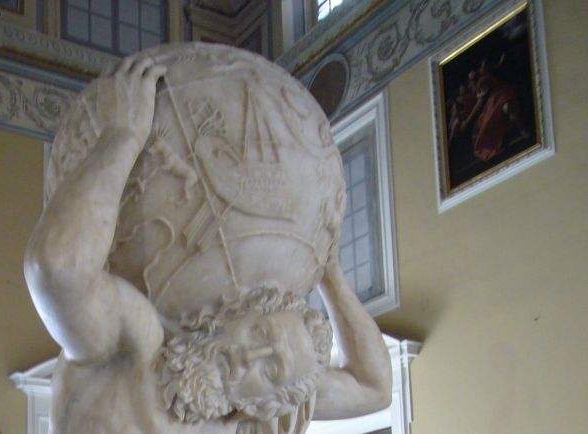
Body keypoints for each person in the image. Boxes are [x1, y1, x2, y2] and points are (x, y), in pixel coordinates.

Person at [24, 53, 391, 434]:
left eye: (271, 369)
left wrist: (330, 271)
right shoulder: (133, 349)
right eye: (259, 332)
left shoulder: (254, 415)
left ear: (263, 400)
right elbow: (57, 268)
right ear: (230, 317)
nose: (251, 356)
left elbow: (373, 389)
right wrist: (122, 137)